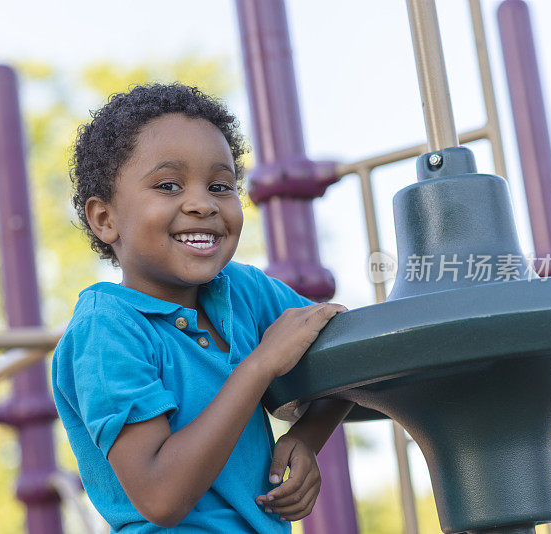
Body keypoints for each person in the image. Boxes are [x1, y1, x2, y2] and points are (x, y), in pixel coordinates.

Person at [52, 83, 352, 533]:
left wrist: (307, 437)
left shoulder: (245, 291)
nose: (202, 204)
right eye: (168, 185)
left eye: (220, 186)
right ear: (105, 219)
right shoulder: (107, 330)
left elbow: (347, 348)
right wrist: (260, 366)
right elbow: (160, 496)